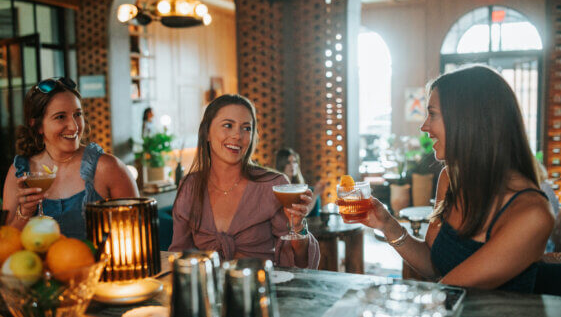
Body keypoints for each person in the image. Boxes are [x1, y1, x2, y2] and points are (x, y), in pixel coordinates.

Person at [360, 65, 554, 293]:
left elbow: (450, 289)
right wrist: (387, 224)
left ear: (468, 121)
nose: (424, 127)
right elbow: (434, 265)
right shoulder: (451, 178)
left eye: (432, 114)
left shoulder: (531, 214)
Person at [169, 94, 320, 268]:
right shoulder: (190, 186)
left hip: (260, 289)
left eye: (246, 128)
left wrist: (298, 226)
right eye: (228, 125)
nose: (237, 135)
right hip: (207, 292)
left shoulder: (273, 185)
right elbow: (179, 255)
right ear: (207, 133)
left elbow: (300, 263)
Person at [2, 77, 139, 239]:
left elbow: (139, 232)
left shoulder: (107, 168)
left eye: (77, 114)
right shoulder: (20, 172)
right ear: (37, 125)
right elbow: (6, 243)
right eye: (60, 117)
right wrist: (24, 213)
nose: (74, 126)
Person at [275, 147, 325, 217]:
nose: (292, 165)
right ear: (281, 164)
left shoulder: (299, 185)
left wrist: (316, 193)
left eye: (294, 162)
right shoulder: (278, 188)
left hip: (302, 222)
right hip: (289, 221)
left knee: (312, 191)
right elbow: (299, 213)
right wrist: (315, 194)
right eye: (288, 162)